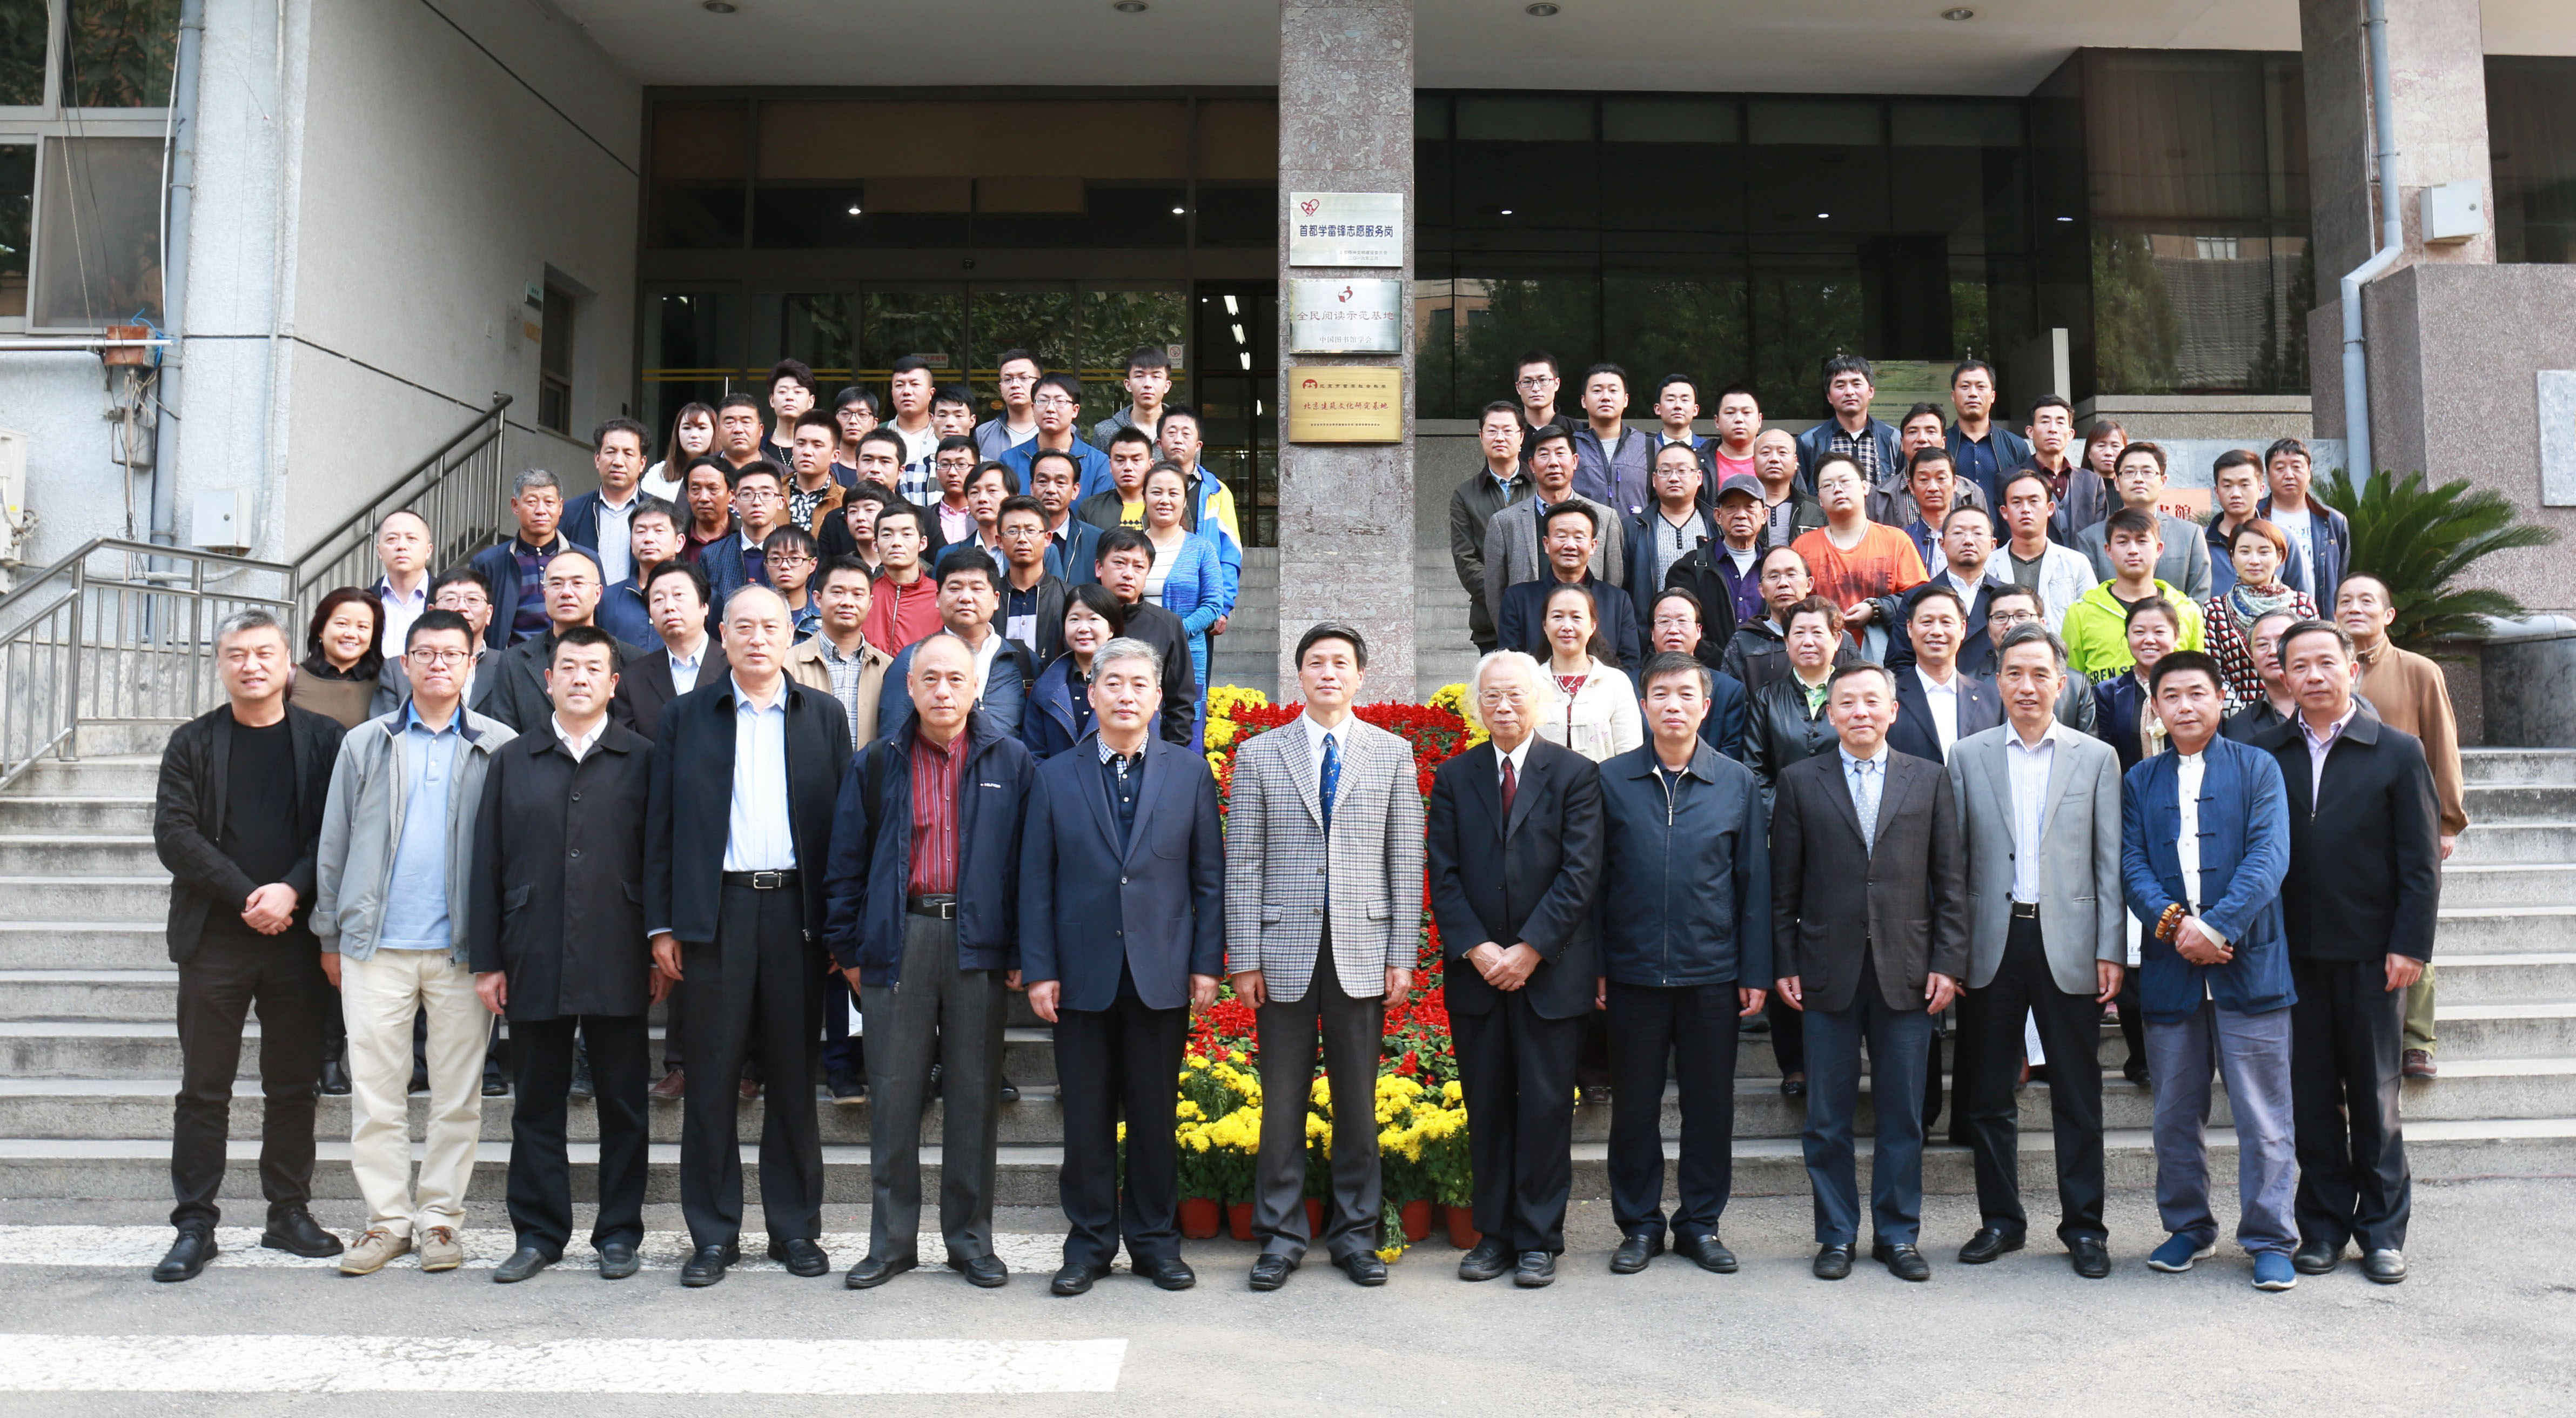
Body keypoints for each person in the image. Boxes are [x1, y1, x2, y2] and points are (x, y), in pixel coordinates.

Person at [645, 585, 852, 1288]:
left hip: (797, 914)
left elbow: (842, 830)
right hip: (717, 914)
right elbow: (662, 823)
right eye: (744, 627)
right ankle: (713, 1234)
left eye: (771, 626)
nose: (758, 638)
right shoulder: (687, 716)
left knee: (793, 1078)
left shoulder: (822, 714)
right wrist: (663, 923)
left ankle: (795, 1229)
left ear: (790, 634)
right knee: (710, 1080)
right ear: (723, 635)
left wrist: (839, 925)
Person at [824, 633, 1036, 1291]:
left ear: (976, 688)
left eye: (956, 679)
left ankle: (970, 1241)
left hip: (978, 943)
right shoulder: (876, 761)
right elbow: (846, 862)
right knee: (893, 1095)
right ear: (910, 686)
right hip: (901, 936)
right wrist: (848, 949)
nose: (943, 690)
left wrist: (1022, 951)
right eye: (930, 679)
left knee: (973, 1095)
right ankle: (891, 1243)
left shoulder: (1011, 759)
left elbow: (1029, 865)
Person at [314, 608, 516, 1276]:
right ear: (404, 663)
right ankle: (386, 1219)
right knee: (377, 1092)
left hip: (463, 950)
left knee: (458, 1094)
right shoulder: (366, 743)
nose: (437, 664)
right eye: (424, 653)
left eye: (451, 654)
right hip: (376, 944)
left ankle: (439, 1219)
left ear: (471, 664)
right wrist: (330, 932)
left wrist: (501, 948)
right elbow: (335, 842)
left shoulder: (499, 744)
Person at [149, 610, 349, 1283]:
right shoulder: (192, 742)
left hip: (297, 939)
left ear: (288, 663)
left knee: (292, 1084)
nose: (251, 665)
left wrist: (290, 890)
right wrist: (248, 895)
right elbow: (174, 835)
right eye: (237, 654)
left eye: (264, 653)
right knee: (203, 1087)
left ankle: (288, 1211)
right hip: (214, 938)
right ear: (220, 664)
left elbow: (336, 830)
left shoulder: (325, 739)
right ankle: (195, 1223)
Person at [1224, 624, 1425, 1290]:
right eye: (1316, 662)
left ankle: (1355, 1234)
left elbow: (1405, 859)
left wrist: (1401, 953)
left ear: (1361, 675)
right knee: (1281, 1102)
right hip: (1281, 951)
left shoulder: (1391, 753)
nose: (1329, 672)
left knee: (1357, 1104)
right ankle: (1280, 1236)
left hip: (1361, 950)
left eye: (1341, 662)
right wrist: (1244, 956)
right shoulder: (1259, 754)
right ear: (1300, 674)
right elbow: (1243, 860)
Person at [1021, 637, 1223, 1296]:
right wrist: (1040, 968)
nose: (1126, 694)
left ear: (1158, 696)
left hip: (1160, 971)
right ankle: (1087, 1244)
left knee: (1154, 1116)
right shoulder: (1054, 774)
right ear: (1093, 693)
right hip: (1080, 973)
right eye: (1114, 683)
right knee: (1085, 1119)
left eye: (1140, 684)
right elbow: (1036, 881)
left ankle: (1155, 1243)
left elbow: (1207, 877)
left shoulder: (1188, 773)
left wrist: (1205, 963)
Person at [465, 626, 656, 1283]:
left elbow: (658, 859)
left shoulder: (642, 758)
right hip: (533, 946)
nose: (579, 677)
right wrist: (488, 959)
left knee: (623, 1103)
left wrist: (658, 946)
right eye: (568, 666)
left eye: (593, 668)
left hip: (619, 946)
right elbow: (486, 861)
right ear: (548, 679)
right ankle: (538, 1233)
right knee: (537, 1101)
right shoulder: (513, 759)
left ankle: (619, 1233)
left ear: (613, 682)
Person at [1771, 663, 1969, 1282]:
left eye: (1871, 701)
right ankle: (1835, 1234)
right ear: (1830, 713)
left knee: (1902, 1114)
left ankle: (1897, 1234)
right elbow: (1783, 890)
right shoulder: (1799, 781)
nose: (1860, 711)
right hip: (1825, 969)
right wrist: (1785, 961)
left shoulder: (1929, 778)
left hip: (1906, 970)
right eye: (1847, 702)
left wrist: (1947, 961)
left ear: (1892, 710)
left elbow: (1950, 882)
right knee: (1826, 1117)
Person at [2263, 620, 2440, 1286]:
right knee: (2310, 1099)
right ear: (2283, 674)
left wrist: (2409, 943)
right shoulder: (2265, 751)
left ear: (2352, 670)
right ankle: (2322, 1227)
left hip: (2373, 954)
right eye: (2299, 665)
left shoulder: (2396, 751)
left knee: (2374, 1097)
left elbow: (2420, 863)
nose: (2312, 675)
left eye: (2325, 662)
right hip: (2293, 954)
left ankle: (2383, 1232)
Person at [1947, 622, 2125, 1278]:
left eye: (2040, 674)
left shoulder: (2095, 757)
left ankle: (2084, 1226)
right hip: (1990, 940)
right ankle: (2001, 1219)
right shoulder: (1967, 755)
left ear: (2062, 682)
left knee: (2077, 1092)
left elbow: (2108, 861)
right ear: (1997, 680)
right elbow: (1953, 862)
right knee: (1989, 1092)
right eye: (2014, 673)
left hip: (2069, 938)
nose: (2027, 685)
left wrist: (2111, 947)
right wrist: (1952, 950)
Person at [2122, 649, 2300, 1290]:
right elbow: (2131, 863)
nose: (2185, 706)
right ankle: (2188, 1226)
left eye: (2197, 692)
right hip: (2171, 969)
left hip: (2249, 964)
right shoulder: (2139, 779)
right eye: (2171, 695)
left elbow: (2268, 856)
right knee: (2174, 1112)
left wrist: (2217, 927)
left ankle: (2270, 1237)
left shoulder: (2257, 767)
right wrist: (2177, 927)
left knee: (2263, 1113)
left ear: (2221, 699)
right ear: (2155, 707)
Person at [1427, 651, 1605, 1289]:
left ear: (1539, 700)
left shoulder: (1575, 774)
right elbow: (1442, 871)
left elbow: (1580, 873)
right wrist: (1478, 948)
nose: (1503, 706)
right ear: (1477, 706)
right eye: (1492, 696)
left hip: (1549, 973)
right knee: (1489, 1106)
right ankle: (1493, 1236)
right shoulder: (1455, 776)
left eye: (1515, 694)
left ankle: (1538, 1238)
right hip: (1478, 975)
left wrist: (1529, 949)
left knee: (1547, 1108)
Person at [1592, 651, 1768, 1276]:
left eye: (1685, 694)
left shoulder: (1736, 782)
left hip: (1711, 972)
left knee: (1709, 1106)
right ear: (1644, 705)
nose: (1673, 705)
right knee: (1634, 1108)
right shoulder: (1610, 780)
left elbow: (1752, 881)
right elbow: (1594, 882)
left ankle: (1700, 1223)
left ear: (1705, 705)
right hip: (1633, 971)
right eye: (1661, 694)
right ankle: (1639, 1223)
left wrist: (1754, 970)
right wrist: (1598, 963)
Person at [2338, 574, 2466, 1079]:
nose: (2355, 608)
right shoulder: (2327, 667)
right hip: (2344, 825)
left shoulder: (2418, 670)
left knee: (2412, 921)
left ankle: (2417, 1039)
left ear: (2389, 614)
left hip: (2405, 821)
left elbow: (2442, 746)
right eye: (2345, 600)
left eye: (2366, 600)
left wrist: (2446, 821)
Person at [877, 548, 1037, 743]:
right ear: (937, 598)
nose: (966, 598)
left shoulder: (1022, 659)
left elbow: (1036, 740)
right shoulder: (912, 660)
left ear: (996, 599)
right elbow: (893, 741)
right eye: (955, 588)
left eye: (977, 588)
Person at [471, 549, 626, 734]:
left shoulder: (630, 659)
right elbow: (504, 737)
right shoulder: (513, 662)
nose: (566, 593)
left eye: (577, 583)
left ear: (598, 593)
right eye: (557, 584)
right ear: (545, 595)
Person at [1482, 424, 1626, 621]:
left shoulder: (1606, 518)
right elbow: (1495, 594)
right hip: (1525, 633)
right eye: (1544, 455)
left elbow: (1613, 585)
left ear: (1575, 461)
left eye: (1560, 453)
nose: (1553, 463)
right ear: (1532, 465)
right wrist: (1511, 635)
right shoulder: (1504, 523)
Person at [1790, 454, 1927, 645]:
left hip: (1886, 652)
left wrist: (1876, 609)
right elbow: (1792, 604)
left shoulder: (1896, 541)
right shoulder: (1802, 547)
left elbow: (1921, 599)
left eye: (1845, 482)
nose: (1837, 489)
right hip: (1820, 651)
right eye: (1827, 485)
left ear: (1865, 487)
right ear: (1820, 499)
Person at [2061, 509, 2206, 683]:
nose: (2133, 551)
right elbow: (2073, 683)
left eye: (2142, 541)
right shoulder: (2081, 612)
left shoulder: (2187, 610)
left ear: (2159, 549)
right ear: (2108, 550)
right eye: (2123, 542)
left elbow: (2196, 678)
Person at [1497, 503, 1643, 671]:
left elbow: (1630, 665)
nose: (1570, 545)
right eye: (1561, 536)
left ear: (1593, 546)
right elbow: (1510, 663)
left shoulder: (1618, 601)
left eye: (1579, 537)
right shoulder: (1518, 599)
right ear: (1546, 544)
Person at [1092, 529, 1199, 746]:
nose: (1128, 574)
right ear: (1099, 568)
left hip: (1147, 748)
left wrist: (1171, 754)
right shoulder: (1079, 619)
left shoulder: (1167, 625)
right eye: (1120, 563)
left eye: (1139, 567)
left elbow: (1180, 701)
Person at [468, 469, 590, 651]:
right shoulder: (488, 563)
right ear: (515, 506)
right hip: (510, 661)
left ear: (560, 507)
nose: (541, 511)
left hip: (571, 658)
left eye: (549, 502)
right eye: (532, 502)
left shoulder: (585, 561)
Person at [2074, 442, 2212, 599]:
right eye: (2130, 472)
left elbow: (2199, 597)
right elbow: (2089, 599)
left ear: (2163, 481)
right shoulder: (2090, 539)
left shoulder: (2190, 535)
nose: (2139, 479)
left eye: (2147, 472)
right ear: (2117, 482)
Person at [2203, 520, 2317, 711]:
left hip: (2299, 715)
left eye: (2264, 552)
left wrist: (2295, 714)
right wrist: (2244, 718)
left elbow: (2313, 662)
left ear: (2280, 557)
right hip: (2237, 718)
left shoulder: (2302, 605)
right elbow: (2213, 673)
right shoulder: (2214, 610)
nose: (2254, 561)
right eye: (2245, 552)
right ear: (2232, 558)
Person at [1138, 463, 1230, 691]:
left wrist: (1176, 632)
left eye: (1173, 493)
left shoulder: (1202, 549)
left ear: (1185, 501)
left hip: (1188, 654)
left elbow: (1212, 605)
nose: (1165, 500)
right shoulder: (1129, 546)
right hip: (1135, 653)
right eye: (1156, 492)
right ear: (1144, 496)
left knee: (1187, 711)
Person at [1719, 547, 1859, 699]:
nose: (1783, 584)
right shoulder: (1744, 642)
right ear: (1761, 590)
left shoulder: (1838, 639)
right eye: (1773, 577)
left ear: (1809, 584)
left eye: (1792, 574)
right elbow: (1732, 702)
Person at [1887, 506, 2011, 676]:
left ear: (1993, 545)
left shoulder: (2007, 597)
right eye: (1959, 533)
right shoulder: (1918, 597)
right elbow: (1899, 662)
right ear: (1942, 544)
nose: (1968, 541)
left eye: (1978, 533)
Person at [1886, 585, 2001, 766]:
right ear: (1909, 628)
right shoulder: (1888, 698)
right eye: (1927, 622)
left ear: (1963, 629)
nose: (1937, 632)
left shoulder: (1993, 700)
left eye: (1946, 622)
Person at [784, 555, 892, 747]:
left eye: (858, 594)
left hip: (870, 768)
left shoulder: (887, 668)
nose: (847, 602)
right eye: (837, 592)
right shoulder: (788, 664)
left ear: (870, 602)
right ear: (817, 599)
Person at [611, 560, 723, 743]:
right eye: (658, 600)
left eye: (678, 595)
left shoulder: (735, 666)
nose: (669, 606)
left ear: (705, 606)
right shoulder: (632, 679)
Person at [1532, 584, 1642, 763]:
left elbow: (1631, 755)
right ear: (1545, 625)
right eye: (1558, 617)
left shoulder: (1616, 682)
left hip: (1603, 781)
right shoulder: (1530, 681)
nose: (1567, 626)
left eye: (1576, 617)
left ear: (1593, 626)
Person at [1662, 472, 1766, 648]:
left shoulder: (1776, 566)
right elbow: (1681, 625)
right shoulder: (1690, 567)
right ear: (1718, 516)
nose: (1741, 515)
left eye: (1750, 508)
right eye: (1731, 507)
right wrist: (1722, 660)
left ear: (1764, 515)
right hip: (1709, 665)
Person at [1644, 588, 1748, 761]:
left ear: (1699, 631)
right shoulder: (1627, 685)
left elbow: (1731, 759)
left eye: (1682, 621)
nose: (1673, 630)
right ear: (1652, 633)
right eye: (1664, 621)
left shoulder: (1728, 690)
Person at [1024, 586, 1127, 760]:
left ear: (1111, 629)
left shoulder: (1134, 684)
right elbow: (1033, 755)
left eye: (1093, 619)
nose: (1083, 628)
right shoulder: (1045, 687)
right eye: (1074, 619)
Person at [1994, 471, 2098, 635]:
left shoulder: (2076, 563)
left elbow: (2092, 619)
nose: (2026, 509)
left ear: (2050, 509)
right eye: (2017, 502)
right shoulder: (1989, 565)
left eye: (2034, 501)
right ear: (2004, 512)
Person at [2094, 598, 2185, 777]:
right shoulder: (2107, 694)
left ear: (2176, 636)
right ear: (2127, 637)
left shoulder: (2196, 691)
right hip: (2129, 790)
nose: (2149, 640)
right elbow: (2103, 760)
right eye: (2139, 632)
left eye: (2159, 632)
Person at [1628, 440, 1713, 626]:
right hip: (1651, 632)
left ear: (1699, 477)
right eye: (1665, 471)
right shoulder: (1633, 529)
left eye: (1682, 470)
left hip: (1706, 633)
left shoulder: (1717, 525)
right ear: (1654, 479)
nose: (1674, 478)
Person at [2258, 438, 2351, 607]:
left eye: (2296, 467)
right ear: (2268, 476)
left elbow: (2341, 577)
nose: (2289, 475)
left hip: (2319, 616)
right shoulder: (2254, 517)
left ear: (2309, 473)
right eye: (2280, 468)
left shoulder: (2333, 521)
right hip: (2266, 614)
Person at [564, 419, 652, 589]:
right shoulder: (570, 512)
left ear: (642, 463)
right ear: (597, 459)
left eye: (628, 453)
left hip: (641, 603)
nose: (618, 462)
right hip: (585, 604)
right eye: (611, 452)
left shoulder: (660, 515)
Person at [999, 373, 1114, 504]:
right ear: (1033, 408)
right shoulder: (1009, 460)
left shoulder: (1098, 463)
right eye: (1043, 401)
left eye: (1060, 402)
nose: (1050, 409)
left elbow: (1100, 513)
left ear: (1075, 410)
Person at [1793, 354, 1900, 494]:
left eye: (1856, 384)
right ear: (1829, 396)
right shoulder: (1809, 442)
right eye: (1840, 386)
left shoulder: (1894, 439)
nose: (1849, 392)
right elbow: (1802, 495)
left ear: (1871, 392)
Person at [697, 461, 794, 612]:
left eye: (766, 494)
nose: (757, 502)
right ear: (734, 503)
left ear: (781, 502)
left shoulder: (799, 555)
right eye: (747, 494)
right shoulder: (712, 556)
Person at [1877, 447, 1987, 572]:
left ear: (1955, 483)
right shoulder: (1901, 542)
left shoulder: (1974, 540)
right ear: (1911, 486)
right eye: (1924, 480)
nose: (1933, 488)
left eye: (1941, 478)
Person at [290, 588, 386, 729]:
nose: (351, 634)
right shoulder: (292, 678)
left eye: (362, 627)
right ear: (321, 629)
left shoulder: (385, 683)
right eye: (342, 624)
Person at [991, 496, 1070, 666]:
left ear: (1048, 538)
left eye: (1031, 530)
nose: (1022, 539)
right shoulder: (988, 597)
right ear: (1000, 541)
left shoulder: (1068, 598)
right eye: (1013, 531)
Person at [1944, 358, 2031, 510]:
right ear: (1953, 396)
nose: (1973, 394)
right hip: (1952, 525)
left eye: (1981, 387)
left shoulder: (2016, 446)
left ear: (1993, 396)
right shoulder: (1941, 444)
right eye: (1965, 387)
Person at [599, 498, 681, 653]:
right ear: (631, 543)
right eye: (641, 531)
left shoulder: (699, 597)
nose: (649, 539)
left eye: (659, 531)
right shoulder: (606, 599)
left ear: (679, 542)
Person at [1571, 362, 1652, 516]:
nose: (1606, 397)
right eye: (1597, 391)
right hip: (1585, 530)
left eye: (1613, 390)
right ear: (1583, 401)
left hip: (1636, 531)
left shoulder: (1648, 446)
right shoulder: (1570, 447)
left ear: (1626, 400)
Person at [863, 503, 944, 656]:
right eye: (887, 535)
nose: (896, 543)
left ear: (923, 543)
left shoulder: (942, 597)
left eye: (906, 534)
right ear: (875, 544)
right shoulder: (863, 594)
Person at [2022, 402, 2104, 545]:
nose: (2053, 429)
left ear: (2071, 434)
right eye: (2045, 422)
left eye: (2060, 422)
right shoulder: (2011, 480)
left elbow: (2101, 537)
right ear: (2030, 432)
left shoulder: (2092, 482)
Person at [2221, 610, 2307, 744]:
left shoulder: (2331, 709)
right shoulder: (2238, 726)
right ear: (2252, 655)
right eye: (2262, 645)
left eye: (2282, 642)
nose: (2273, 651)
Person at [1029, 448, 1105, 587]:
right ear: (1032, 488)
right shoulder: (1015, 537)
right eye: (1043, 481)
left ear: (1075, 491)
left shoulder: (1097, 541)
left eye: (1060, 483)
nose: (1051, 490)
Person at [370, 511, 433, 659]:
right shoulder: (364, 602)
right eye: (392, 539)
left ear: (428, 550)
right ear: (379, 551)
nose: (401, 546)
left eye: (412, 539)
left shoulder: (447, 599)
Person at [2204, 449, 2266, 597]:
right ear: (2217, 492)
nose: (2236, 494)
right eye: (2227, 486)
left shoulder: (2282, 540)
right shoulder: (2199, 542)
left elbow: (2301, 599)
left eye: (2244, 485)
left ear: (2261, 490)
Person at [1754, 426, 1827, 549]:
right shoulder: (1743, 509)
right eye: (1766, 453)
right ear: (1754, 461)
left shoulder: (1818, 509)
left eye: (1782, 452)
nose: (1774, 459)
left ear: (1795, 461)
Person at [781, 410, 848, 539]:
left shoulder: (845, 502)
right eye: (801, 444)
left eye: (817, 445)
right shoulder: (771, 493)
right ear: (793, 449)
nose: (807, 452)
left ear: (835, 456)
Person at [1091, 343, 1172, 445]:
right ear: (1128, 385)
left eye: (1156, 377)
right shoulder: (1105, 432)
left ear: (1167, 386)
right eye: (1140, 376)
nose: (1148, 384)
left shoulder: (1184, 430)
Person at [884, 356, 940, 497]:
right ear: (892, 393)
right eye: (899, 385)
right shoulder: (878, 434)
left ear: (931, 393)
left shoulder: (944, 435)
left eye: (915, 384)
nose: (907, 392)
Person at [974, 349, 1042, 459]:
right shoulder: (983, 433)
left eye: (1024, 378)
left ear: (1039, 384)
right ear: (1001, 388)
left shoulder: (1062, 430)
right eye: (1007, 379)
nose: (1015, 385)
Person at [643, 400, 715, 504]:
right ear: (677, 433)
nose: (694, 435)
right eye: (687, 428)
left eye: (702, 428)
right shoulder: (658, 473)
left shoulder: (726, 473)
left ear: (715, 432)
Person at [1648, 373, 1715, 480]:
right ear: (1658, 409)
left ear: (1695, 410)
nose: (1678, 406)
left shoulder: (1708, 450)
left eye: (1685, 400)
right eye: (1671, 400)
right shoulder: (1646, 450)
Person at [762, 525, 822, 640]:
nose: (784, 566)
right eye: (775, 559)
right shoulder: (755, 613)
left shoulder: (826, 616)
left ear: (812, 564)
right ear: (766, 565)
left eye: (794, 558)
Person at [677, 456, 737, 568]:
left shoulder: (745, 537)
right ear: (688, 495)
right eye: (695, 490)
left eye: (713, 489)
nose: (704, 498)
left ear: (732, 495)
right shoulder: (674, 537)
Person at [762, 359, 819, 465]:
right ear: (772, 400)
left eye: (797, 392)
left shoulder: (821, 451)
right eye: (782, 392)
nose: (789, 397)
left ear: (811, 401)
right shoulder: (758, 449)